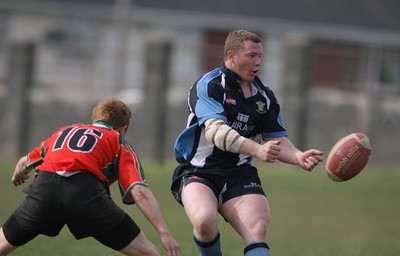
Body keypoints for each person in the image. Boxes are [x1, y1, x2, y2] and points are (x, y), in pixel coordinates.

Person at [171, 30, 324, 256]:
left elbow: (277, 138)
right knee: (204, 221)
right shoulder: (209, 85)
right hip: (199, 171)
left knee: (257, 229)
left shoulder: (265, 97)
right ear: (231, 56)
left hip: (239, 173)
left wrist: (298, 157)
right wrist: (258, 150)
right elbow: (217, 133)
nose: (258, 62)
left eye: (260, 56)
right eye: (251, 56)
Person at [0, 98, 180, 256]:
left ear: (95, 119)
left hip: (44, 190)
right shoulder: (118, 140)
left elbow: (25, 162)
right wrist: (164, 233)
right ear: (123, 128)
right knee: (147, 253)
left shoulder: (65, 131)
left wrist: (19, 175)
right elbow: (139, 191)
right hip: (84, 194)